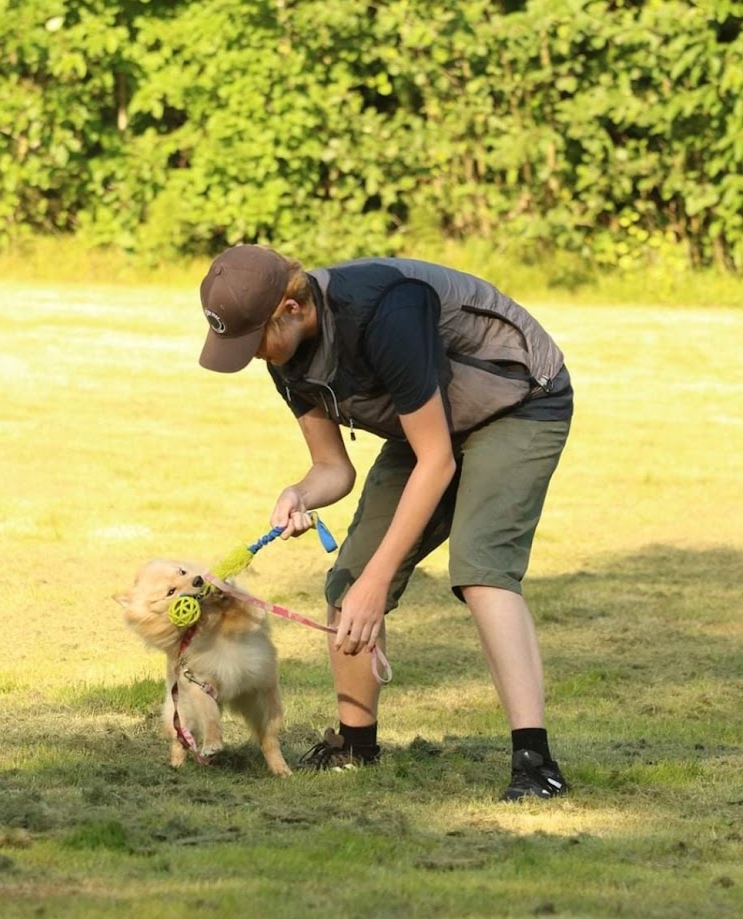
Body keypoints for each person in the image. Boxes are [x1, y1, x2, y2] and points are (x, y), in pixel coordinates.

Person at [197, 244, 573, 800]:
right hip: (427, 427)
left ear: (293, 309)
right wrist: (300, 492)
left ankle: (534, 761)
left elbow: (438, 461)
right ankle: (356, 744)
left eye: (252, 340)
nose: (251, 355)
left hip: (517, 403)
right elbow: (333, 468)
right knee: (347, 582)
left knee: (480, 568)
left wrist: (380, 582)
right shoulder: (285, 357)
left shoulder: (386, 312)